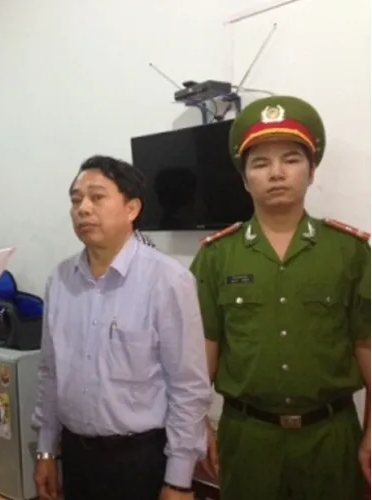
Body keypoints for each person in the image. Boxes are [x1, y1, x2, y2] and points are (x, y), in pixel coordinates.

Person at [190, 95, 371, 500]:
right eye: (260, 163)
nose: (276, 173)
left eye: (290, 160)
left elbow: (367, 345)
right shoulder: (216, 257)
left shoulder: (350, 252)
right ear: (244, 180)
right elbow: (203, 355)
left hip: (331, 439)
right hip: (248, 440)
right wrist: (198, 424)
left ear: (312, 171)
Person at [31, 155, 211, 500]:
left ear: (132, 209)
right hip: (76, 455)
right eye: (76, 200)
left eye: (97, 197)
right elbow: (50, 372)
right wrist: (46, 451)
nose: (83, 209)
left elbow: (188, 386)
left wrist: (178, 480)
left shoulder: (168, 280)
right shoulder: (61, 280)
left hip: (140, 459)